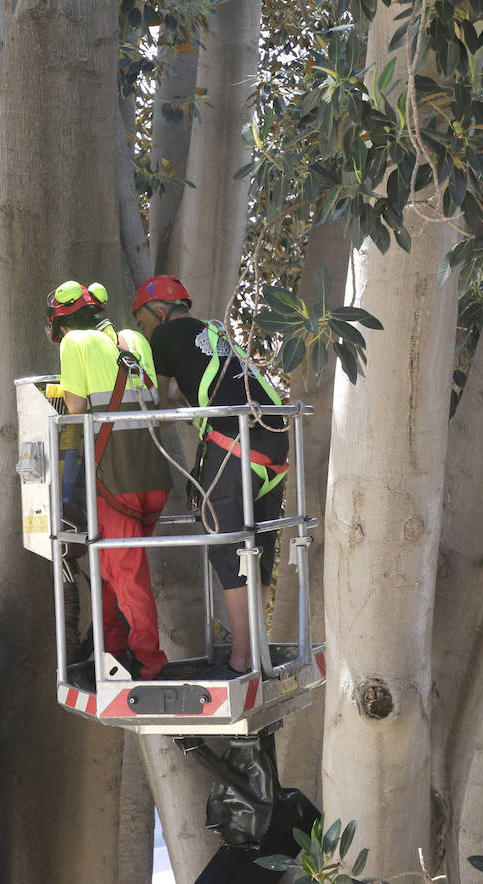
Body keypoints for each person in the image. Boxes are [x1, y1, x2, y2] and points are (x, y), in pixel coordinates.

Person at [131, 275, 288, 680]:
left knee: (226, 544)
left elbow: (156, 403)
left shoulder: (165, 335)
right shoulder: (212, 334)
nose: (145, 333)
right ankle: (257, 650)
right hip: (274, 437)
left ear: (159, 312)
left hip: (234, 438)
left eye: (143, 324)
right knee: (259, 545)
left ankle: (242, 659)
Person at [48, 280, 173, 680]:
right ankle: (112, 649)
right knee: (111, 572)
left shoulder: (74, 344)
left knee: (127, 577)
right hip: (153, 477)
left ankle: (150, 663)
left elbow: (75, 411)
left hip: (113, 482)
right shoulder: (134, 339)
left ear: (61, 325)